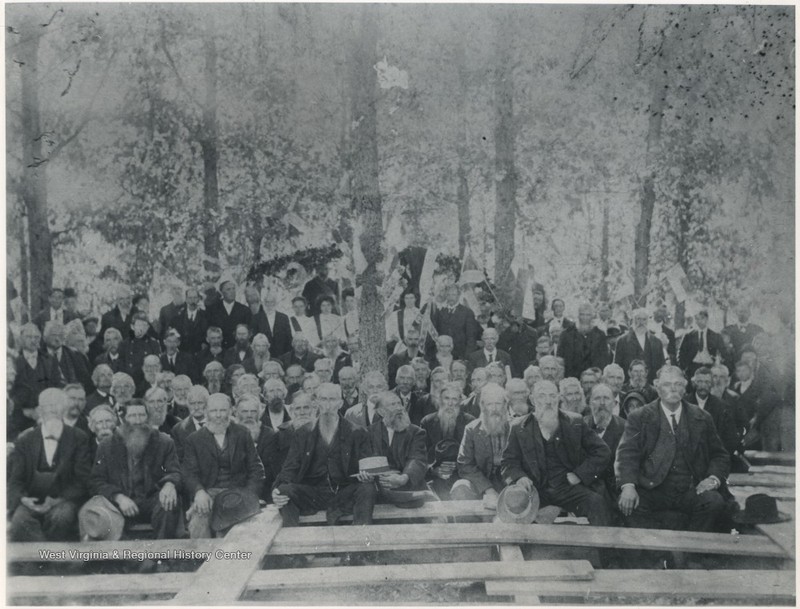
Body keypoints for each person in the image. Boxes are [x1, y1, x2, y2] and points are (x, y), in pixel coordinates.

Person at [615, 366, 729, 532]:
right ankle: (659, 555)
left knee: (714, 501)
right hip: (653, 489)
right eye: (667, 384)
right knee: (629, 504)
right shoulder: (639, 417)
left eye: (678, 384)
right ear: (657, 387)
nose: (673, 388)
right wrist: (628, 486)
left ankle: (690, 550)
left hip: (690, 489)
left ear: (685, 387)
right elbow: (626, 454)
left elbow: (720, 455)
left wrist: (712, 479)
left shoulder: (702, 417)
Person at [501, 380, 612, 525]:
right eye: (542, 396)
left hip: (568, 488)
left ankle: (602, 548)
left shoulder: (575, 422)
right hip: (536, 490)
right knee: (517, 514)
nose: (548, 401)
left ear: (558, 398)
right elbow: (508, 462)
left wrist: (580, 474)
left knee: (596, 503)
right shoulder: (518, 427)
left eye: (552, 396)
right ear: (533, 400)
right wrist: (520, 477)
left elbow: (602, 451)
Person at [272, 383, 375, 526]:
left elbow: (367, 465)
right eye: (324, 399)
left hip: (344, 492)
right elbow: (290, 468)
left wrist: (367, 475)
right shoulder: (303, 433)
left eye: (332, 400)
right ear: (317, 402)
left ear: (340, 403)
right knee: (284, 491)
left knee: (367, 488)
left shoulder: (357, 432)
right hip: (314, 493)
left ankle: (361, 536)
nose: (327, 405)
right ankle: (293, 537)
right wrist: (276, 490)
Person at [88, 399, 181, 540]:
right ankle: (128, 559)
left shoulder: (164, 442)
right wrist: (118, 497)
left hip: (152, 500)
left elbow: (174, 471)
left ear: (147, 417)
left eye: (141, 415)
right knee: (99, 508)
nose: (138, 421)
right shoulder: (107, 446)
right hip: (119, 502)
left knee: (169, 503)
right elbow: (97, 481)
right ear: (123, 418)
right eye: (132, 416)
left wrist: (169, 484)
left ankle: (161, 554)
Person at [8, 388, 91, 541]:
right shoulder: (25, 440)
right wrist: (23, 499)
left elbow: (82, 479)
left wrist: (58, 500)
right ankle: (48, 560)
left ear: (65, 408)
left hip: (63, 499)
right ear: (39, 410)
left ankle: (50, 559)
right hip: (31, 500)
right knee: (20, 521)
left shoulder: (79, 438)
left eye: (57, 404)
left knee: (61, 518)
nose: (52, 409)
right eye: (47, 405)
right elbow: (16, 480)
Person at [182, 393, 265, 538]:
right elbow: (189, 473)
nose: (218, 415)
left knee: (231, 529)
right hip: (209, 494)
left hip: (237, 493)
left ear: (230, 411)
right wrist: (199, 492)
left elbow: (256, 469)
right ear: (206, 412)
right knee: (198, 524)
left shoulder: (242, 433)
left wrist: (249, 495)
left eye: (222, 410)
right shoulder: (194, 439)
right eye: (214, 411)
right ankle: (203, 559)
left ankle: (231, 560)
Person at [452, 384, 511, 507]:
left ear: (505, 405)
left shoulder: (515, 428)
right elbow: (464, 464)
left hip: (509, 483)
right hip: (481, 483)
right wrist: (487, 489)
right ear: (483, 406)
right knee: (460, 487)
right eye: (489, 404)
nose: (494, 408)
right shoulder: (472, 429)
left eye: (498, 404)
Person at [365, 391, 429, 504]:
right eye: (392, 405)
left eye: (399, 403)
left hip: (408, 486)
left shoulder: (416, 432)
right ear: (381, 411)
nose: (399, 408)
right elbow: (367, 462)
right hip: (379, 488)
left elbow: (417, 459)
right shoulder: (369, 432)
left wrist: (403, 478)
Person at [420, 382, 474, 499]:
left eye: (454, 399)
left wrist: (457, 467)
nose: (450, 404)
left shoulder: (469, 422)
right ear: (440, 400)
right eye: (446, 398)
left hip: (462, 476)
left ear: (460, 401)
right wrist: (433, 470)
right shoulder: (427, 422)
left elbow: (474, 456)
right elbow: (420, 455)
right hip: (434, 477)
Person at [10, 323, 64, 438]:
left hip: (47, 414)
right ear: (20, 339)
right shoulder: (12, 362)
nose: (33, 340)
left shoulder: (49, 360)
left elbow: (57, 386)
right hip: (20, 417)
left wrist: (46, 408)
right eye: (29, 337)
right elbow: (9, 391)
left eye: (36, 337)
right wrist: (25, 411)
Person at [688, 367, 744, 469]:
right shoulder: (684, 403)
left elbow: (731, 439)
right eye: (699, 382)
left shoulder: (722, 406)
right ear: (694, 383)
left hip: (713, 461)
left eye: (707, 382)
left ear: (712, 384)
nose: (703, 386)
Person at [583, 383, 625, 500]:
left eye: (606, 398)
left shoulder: (626, 429)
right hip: (585, 491)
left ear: (614, 403)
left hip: (614, 494)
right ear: (590, 403)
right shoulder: (580, 426)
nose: (602, 403)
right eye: (597, 398)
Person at [558, 304, 611, 379]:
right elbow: (560, 359)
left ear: (592, 316)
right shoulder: (566, 335)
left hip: (593, 379)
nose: (585, 318)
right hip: (571, 378)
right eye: (582, 315)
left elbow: (604, 360)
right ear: (578, 316)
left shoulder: (600, 335)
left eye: (588, 315)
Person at [614, 308, 665, 385]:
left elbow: (661, 366)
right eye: (638, 319)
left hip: (651, 386)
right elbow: (617, 367)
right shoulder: (622, 341)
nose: (641, 322)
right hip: (628, 385)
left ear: (648, 321)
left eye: (644, 319)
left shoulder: (657, 342)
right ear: (633, 321)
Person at [43, 321, 94, 395]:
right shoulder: (37, 356)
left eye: (60, 335)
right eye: (54, 335)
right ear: (45, 337)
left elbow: (87, 382)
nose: (57, 338)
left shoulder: (77, 355)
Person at [431, 284, 478, 360]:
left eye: (453, 295)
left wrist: (468, 356)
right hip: (443, 354)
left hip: (460, 354)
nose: (450, 297)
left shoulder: (467, 312)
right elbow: (435, 334)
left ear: (458, 295)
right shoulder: (440, 312)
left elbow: (471, 337)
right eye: (448, 295)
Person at [205, 280, 252, 350]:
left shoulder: (245, 310)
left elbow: (249, 331)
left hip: (237, 350)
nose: (232, 292)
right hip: (218, 349)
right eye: (228, 289)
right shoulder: (212, 309)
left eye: (233, 289)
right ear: (222, 292)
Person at [678, 310, 722, 380]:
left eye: (702, 318)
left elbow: (722, 352)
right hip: (693, 367)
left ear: (707, 319)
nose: (699, 321)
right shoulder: (689, 335)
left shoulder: (715, 335)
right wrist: (683, 368)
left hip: (709, 367)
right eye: (697, 319)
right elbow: (681, 352)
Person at [119, 312, 161, 385]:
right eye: (138, 325)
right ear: (132, 326)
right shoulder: (125, 344)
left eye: (144, 325)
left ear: (148, 327)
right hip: (129, 382)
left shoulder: (154, 344)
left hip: (146, 383)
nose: (141, 328)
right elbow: (121, 365)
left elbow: (156, 367)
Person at [249, 291, 293, 359]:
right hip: (262, 353)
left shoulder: (283, 317)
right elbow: (253, 337)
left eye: (271, 302)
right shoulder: (256, 318)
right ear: (264, 303)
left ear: (275, 303)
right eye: (267, 302)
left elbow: (289, 337)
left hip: (282, 353)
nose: (269, 304)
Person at [171, 385, 209, 462]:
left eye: (200, 403)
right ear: (187, 405)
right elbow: (178, 461)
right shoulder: (178, 430)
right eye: (192, 403)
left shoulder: (218, 424)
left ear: (207, 403)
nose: (196, 407)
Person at [497, 314, 539, 379]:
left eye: (517, 317)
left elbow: (535, 351)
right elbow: (502, 352)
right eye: (512, 317)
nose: (515, 319)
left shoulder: (532, 333)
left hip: (527, 366)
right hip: (512, 368)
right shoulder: (505, 333)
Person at [170, 288, 208, 355]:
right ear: (186, 299)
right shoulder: (178, 318)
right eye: (190, 298)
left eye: (195, 298)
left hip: (200, 353)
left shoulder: (205, 316)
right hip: (183, 354)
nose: (192, 301)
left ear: (199, 299)